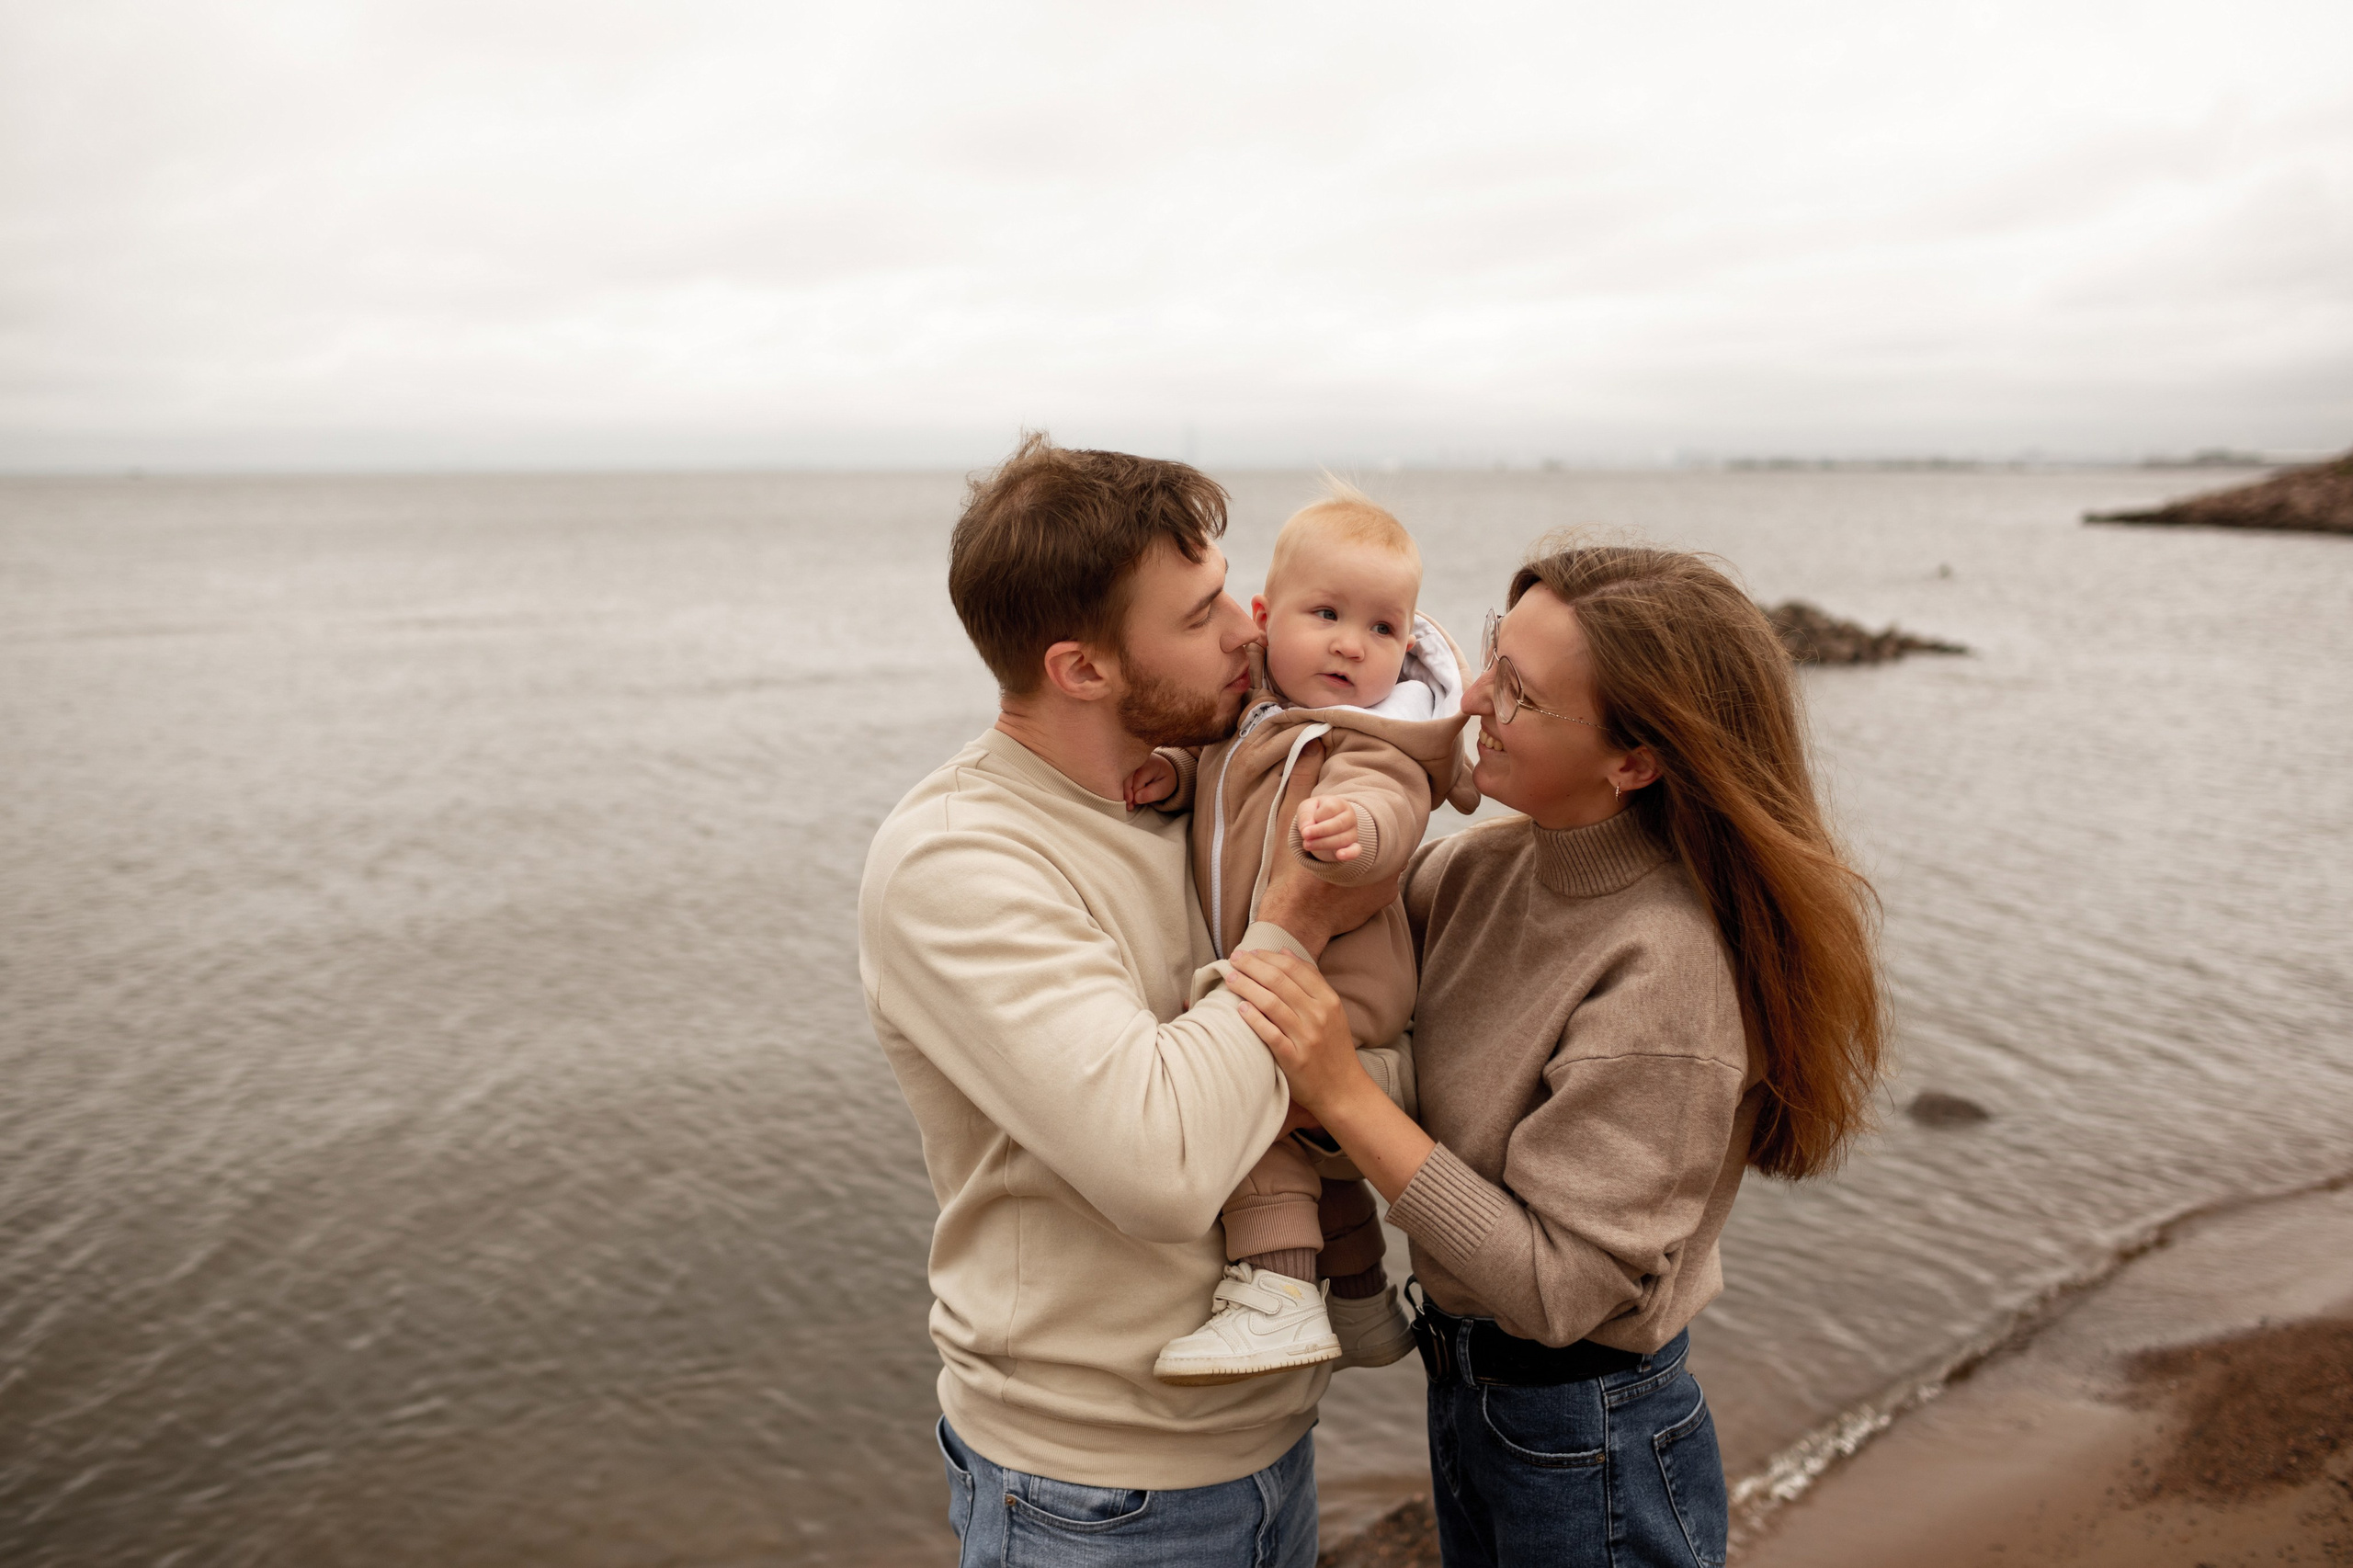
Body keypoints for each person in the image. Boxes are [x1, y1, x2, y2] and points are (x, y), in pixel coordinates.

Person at [1227, 541, 1886, 1568]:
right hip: (1475, 1395)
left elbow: (1559, 1288)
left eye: (1523, 694)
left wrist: (1344, 1094)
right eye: (1492, 652)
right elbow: (1310, 927)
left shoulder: (1666, 968)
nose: (1473, 693)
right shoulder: (1483, 869)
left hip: (1592, 1438)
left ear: (1634, 761)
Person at [858, 435, 1390, 1566]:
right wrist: (1291, 919)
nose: (1252, 625)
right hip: (1093, 1492)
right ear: (1080, 667)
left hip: (1267, 1443)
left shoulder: (1199, 792)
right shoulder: (961, 861)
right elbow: (1162, 1161)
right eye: (1199, 617)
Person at [1126, 488, 1477, 1385]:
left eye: (1381, 626)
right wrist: (1165, 775)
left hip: (1342, 996)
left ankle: (1275, 1296)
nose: (1352, 643)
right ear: (1262, 618)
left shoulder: (1372, 743)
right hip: (1302, 972)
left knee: (1257, 1118)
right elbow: (1208, 777)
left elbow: (1394, 806)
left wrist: (1354, 831)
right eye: (1325, 614)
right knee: (1327, 1171)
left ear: (1406, 646)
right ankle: (1359, 1301)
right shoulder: (1252, 721)